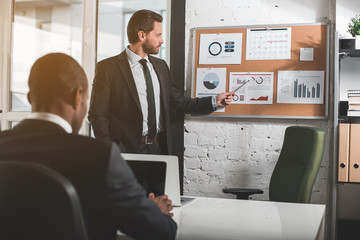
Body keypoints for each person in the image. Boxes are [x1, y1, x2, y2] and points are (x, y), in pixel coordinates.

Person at [0, 53, 177, 240]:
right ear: (78, 96)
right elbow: (159, 233)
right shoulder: (100, 156)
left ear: (30, 97)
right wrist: (154, 211)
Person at [88, 9, 233, 155]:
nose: (162, 40)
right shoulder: (107, 68)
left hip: (159, 149)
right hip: (125, 152)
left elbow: (178, 102)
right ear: (142, 35)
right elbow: (97, 115)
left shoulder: (161, 66)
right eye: (158, 35)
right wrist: (111, 150)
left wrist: (214, 101)